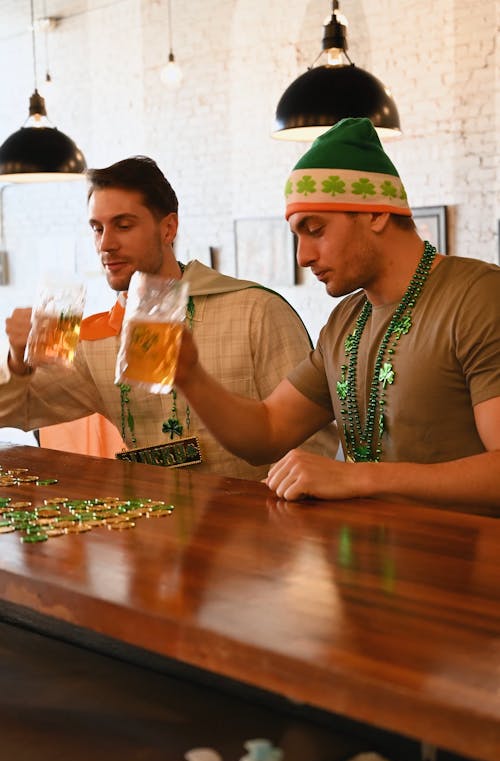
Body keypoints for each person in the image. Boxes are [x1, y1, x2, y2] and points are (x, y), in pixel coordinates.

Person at [171, 118, 500, 513]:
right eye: (297, 236)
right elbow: (268, 431)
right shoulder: (347, 320)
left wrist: (358, 477)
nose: (303, 256)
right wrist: (190, 376)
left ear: (376, 214)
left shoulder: (478, 296)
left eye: (315, 229)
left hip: (461, 570)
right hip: (366, 564)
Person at [0, 156, 337, 480]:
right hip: (149, 524)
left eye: (123, 225)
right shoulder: (98, 340)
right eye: (97, 228)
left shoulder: (255, 311)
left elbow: (311, 450)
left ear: (168, 228)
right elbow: (13, 412)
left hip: (254, 527)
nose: (106, 244)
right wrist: (17, 361)